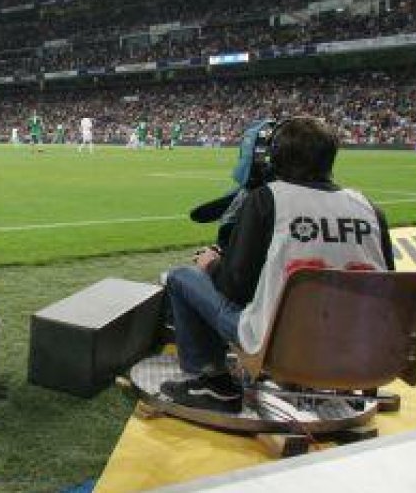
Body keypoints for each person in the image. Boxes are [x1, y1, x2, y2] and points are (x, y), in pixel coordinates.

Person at [159, 117, 394, 413]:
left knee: (182, 277)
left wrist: (213, 264)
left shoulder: (267, 200)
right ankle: (340, 383)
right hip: (360, 350)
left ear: (275, 157)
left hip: (283, 347)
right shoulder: (371, 209)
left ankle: (212, 383)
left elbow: (235, 288)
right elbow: (386, 286)